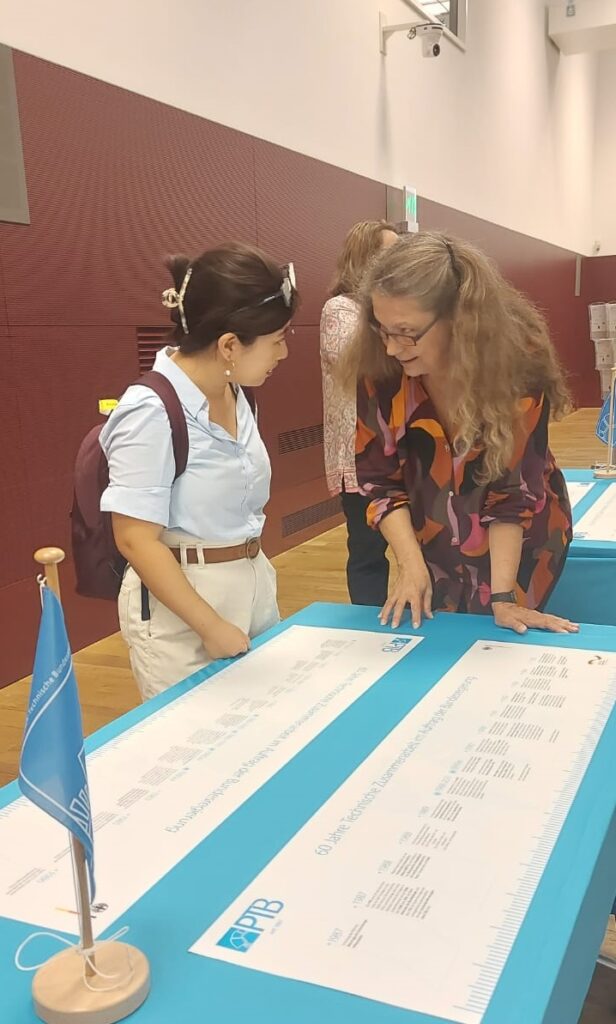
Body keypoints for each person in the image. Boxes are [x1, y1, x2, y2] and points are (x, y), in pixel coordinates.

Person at [346, 230, 578, 636]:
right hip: (433, 538)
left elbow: (513, 494)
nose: (391, 348)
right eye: (382, 330)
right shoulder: (381, 370)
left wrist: (505, 598)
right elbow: (379, 483)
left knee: (502, 641)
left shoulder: (517, 366)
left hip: (520, 543)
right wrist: (411, 564)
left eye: (406, 332)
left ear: (459, 319)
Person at [99, 243, 298, 699]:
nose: (283, 353)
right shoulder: (150, 411)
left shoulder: (237, 392)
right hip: (184, 614)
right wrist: (209, 626)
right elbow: (134, 538)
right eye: (277, 340)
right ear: (229, 345)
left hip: (251, 584)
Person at [320, 220, 398, 606]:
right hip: (360, 454)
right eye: (388, 254)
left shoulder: (393, 312)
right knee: (368, 550)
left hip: (400, 448)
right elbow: (358, 365)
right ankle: (371, 630)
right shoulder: (340, 309)